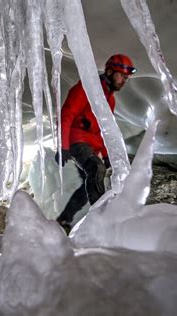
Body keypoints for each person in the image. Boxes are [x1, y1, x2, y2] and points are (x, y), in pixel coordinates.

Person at [55, 54, 136, 231]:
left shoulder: (110, 100)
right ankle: (101, 217)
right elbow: (66, 114)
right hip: (76, 139)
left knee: (88, 183)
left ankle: (63, 220)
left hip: (90, 143)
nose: (123, 81)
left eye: (125, 78)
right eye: (121, 76)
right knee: (96, 169)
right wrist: (63, 147)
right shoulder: (87, 89)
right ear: (109, 71)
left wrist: (107, 155)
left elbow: (103, 130)